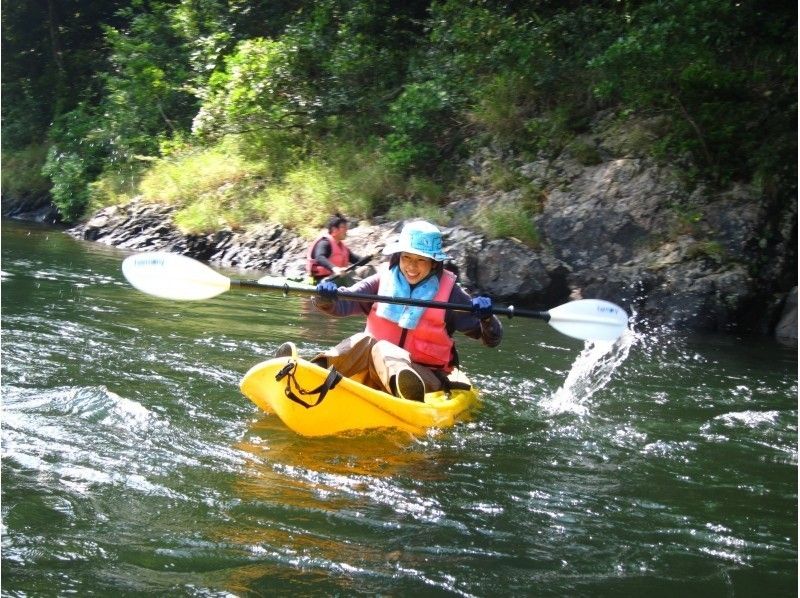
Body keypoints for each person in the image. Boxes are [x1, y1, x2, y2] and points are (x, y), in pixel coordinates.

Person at [309, 220, 503, 402]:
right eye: (406, 257)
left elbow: (491, 339)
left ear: (434, 263)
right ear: (398, 257)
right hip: (377, 367)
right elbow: (344, 302)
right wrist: (325, 299)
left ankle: (405, 388)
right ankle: (316, 371)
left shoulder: (452, 294)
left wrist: (487, 318)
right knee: (365, 340)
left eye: (420, 260)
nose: (411, 266)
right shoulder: (382, 280)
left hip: (427, 378)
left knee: (382, 346)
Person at [306, 213, 363, 283]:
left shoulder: (342, 247)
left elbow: (356, 260)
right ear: (334, 230)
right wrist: (334, 268)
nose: (346, 230)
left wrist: (370, 256)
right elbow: (319, 257)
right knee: (348, 276)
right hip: (322, 280)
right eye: (344, 227)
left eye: (346, 227)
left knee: (367, 269)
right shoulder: (324, 242)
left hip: (338, 277)